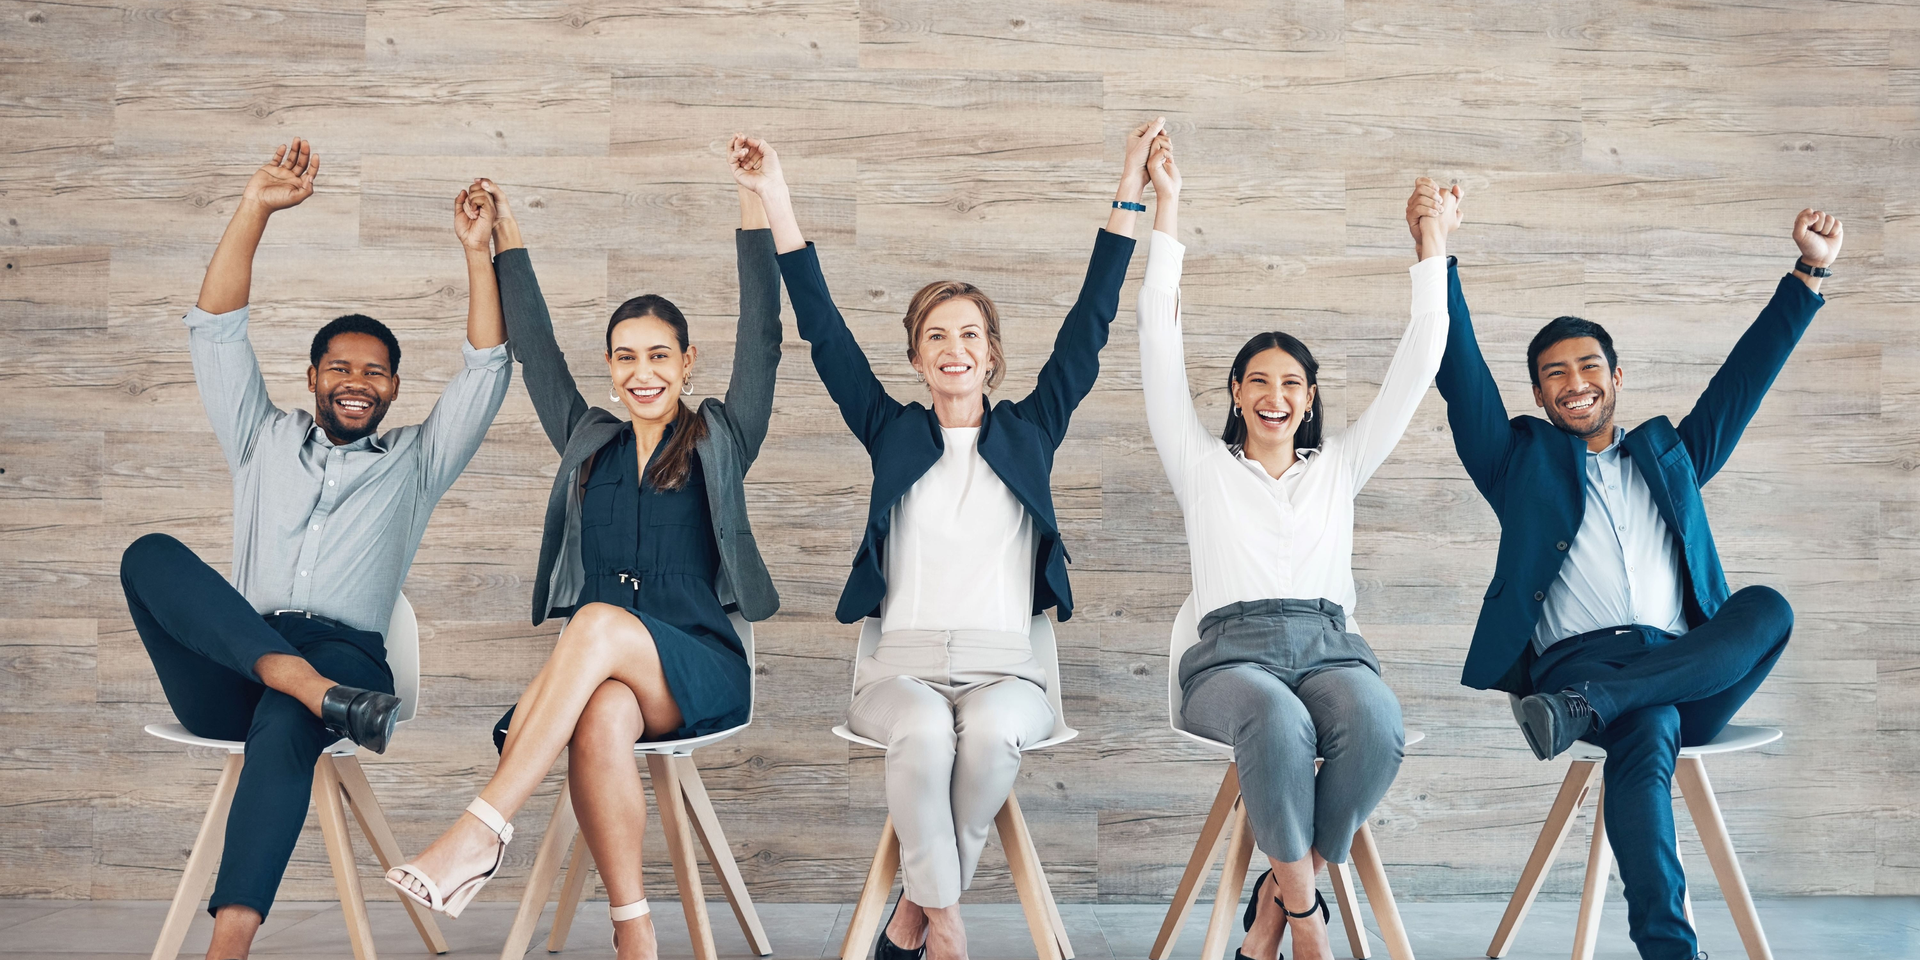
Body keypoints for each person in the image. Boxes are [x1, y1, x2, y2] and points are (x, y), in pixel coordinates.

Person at [729, 122, 1160, 960]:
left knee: (993, 734)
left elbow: (1092, 318)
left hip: (1012, 667)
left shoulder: (1032, 430)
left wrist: (1127, 190)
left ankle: (910, 920)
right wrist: (775, 194)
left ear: (992, 354)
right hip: (901, 668)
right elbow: (821, 325)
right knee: (925, 735)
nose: (953, 349)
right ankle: (950, 927)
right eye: (936, 337)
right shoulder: (890, 430)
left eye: (969, 335)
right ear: (917, 360)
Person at [118, 139, 511, 960]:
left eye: (375, 371)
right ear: (312, 378)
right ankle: (303, 685)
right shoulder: (261, 438)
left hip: (349, 662)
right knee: (149, 553)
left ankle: (227, 948)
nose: (356, 380)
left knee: (288, 722)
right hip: (244, 660)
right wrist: (255, 207)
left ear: (395, 389)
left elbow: (484, 371)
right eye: (340, 366)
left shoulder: (416, 462)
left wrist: (479, 254)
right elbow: (216, 330)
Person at [385, 155, 781, 960]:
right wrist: (503, 232)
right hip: (605, 676)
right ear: (610, 367)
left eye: (660, 355)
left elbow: (764, 336)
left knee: (599, 620)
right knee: (600, 716)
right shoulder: (585, 441)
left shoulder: (722, 439)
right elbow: (533, 346)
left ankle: (481, 830)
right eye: (626, 357)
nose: (643, 373)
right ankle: (634, 932)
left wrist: (752, 200)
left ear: (686, 361)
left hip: (697, 663)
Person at [1437, 201, 1842, 960]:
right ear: (1539, 397)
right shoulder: (1517, 465)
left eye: (1589, 366)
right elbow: (1460, 376)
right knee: (1647, 735)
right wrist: (1437, 254)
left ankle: (1594, 706)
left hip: (1680, 670)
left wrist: (1809, 271)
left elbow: (1742, 381)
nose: (1575, 382)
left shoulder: (1671, 460)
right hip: (1582, 664)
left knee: (1768, 607)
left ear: (1617, 377)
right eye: (1555, 374)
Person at [1140, 165, 1456, 960]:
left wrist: (1432, 245)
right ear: (1236, 394)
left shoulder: (1341, 467)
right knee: (1277, 722)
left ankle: (1280, 900)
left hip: (1329, 646)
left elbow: (1420, 363)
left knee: (1378, 722)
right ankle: (1309, 924)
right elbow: (1156, 333)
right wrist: (1169, 206)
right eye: (1258, 382)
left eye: (1291, 383)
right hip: (1227, 659)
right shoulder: (1199, 462)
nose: (1274, 395)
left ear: (1310, 398)